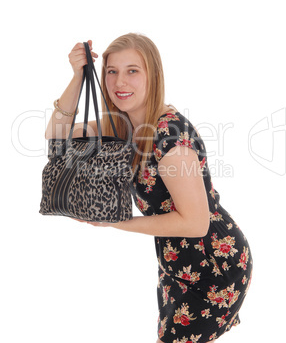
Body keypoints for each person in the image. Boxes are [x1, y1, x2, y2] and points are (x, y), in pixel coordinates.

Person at [45, 33, 253, 343]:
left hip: (213, 267)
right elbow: (56, 135)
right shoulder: (120, 124)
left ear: (152, 75)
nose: (120, 82)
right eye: (112, 71)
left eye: (132, 71)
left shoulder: (170, 137)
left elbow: (196, 223)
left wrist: (113, 221)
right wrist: (78, 76)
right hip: (176, 264)